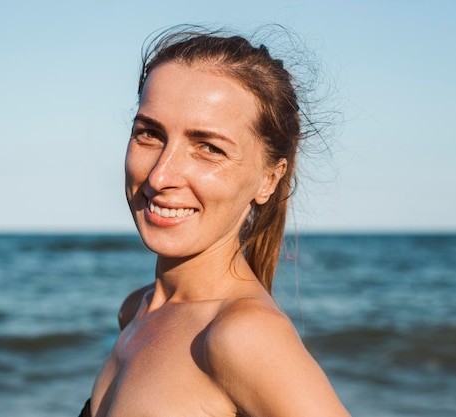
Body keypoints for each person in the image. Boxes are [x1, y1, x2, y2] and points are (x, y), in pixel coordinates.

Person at [80, 26, 350, 417]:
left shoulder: (241, 336)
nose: (159, 176)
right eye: (149, 134)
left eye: (208, 147)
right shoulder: (135, 311)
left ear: (269, 178)